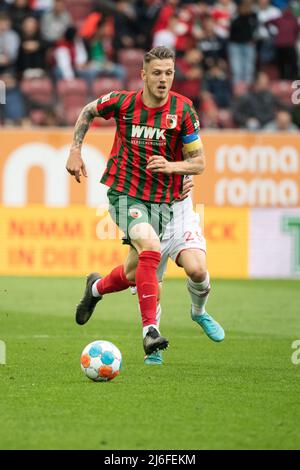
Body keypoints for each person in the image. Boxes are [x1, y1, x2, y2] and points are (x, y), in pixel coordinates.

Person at [66, 46, 205, 357]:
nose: (163, 79)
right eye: (156, 73)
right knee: (152, 248)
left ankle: (95, 288)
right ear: (143, 74)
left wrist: (173, 167)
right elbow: (88, 110)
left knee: (133, 272)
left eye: (169, 73)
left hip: (161, 201)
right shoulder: (123, 102)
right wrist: (75, 150)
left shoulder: (183, 110)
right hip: (124, 192)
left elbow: (199, 163)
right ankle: (150, 331)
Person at [128, 176, 225, 365]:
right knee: (152, 288)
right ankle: (154, 344)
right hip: (148, 219)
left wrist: (182, 170)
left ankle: (199, 311)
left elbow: (198, 162)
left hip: (181, 220)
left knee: (197, 270)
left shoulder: (185, 145)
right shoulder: (140, 147)